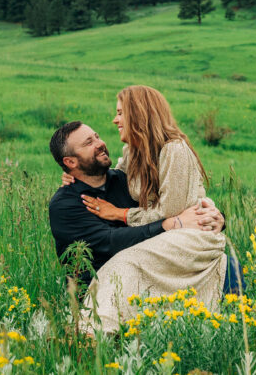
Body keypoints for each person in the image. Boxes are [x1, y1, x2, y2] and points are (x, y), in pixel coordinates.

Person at [77, 85, 235, 333]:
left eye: (120, 113)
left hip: (192, 235)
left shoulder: (174, 149)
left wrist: (121, 214)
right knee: (122, 264)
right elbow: (114, 179)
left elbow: (171, 213)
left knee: (125, 262)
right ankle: (92, 328)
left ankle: (97, 330)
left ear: (139, 114)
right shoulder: (133, 151)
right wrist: (76, 176)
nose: (115, 119)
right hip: (168, 233)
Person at [48, 120, 223, 288]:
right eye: (89, 143)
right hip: (101, 293)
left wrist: (215, 218)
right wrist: (169, 225)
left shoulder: (126, 181)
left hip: (154, 276)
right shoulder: (65, 204)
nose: (100, 143)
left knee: (224, 265)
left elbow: (174, 204)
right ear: (70, 162)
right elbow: (111, 241)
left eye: (97, 136)